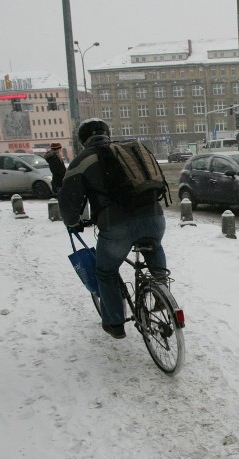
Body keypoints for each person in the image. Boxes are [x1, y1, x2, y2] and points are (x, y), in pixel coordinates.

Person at [58, 118, 167, 339]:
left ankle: (115, 323)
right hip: (154, 217)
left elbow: (69, 200)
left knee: (105, 272)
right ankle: (162, 295)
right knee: (153, 247)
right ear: (108, 133)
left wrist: (73, 222)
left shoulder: (82, 161)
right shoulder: (130, 150)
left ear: (82, 140)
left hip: (117, 226)